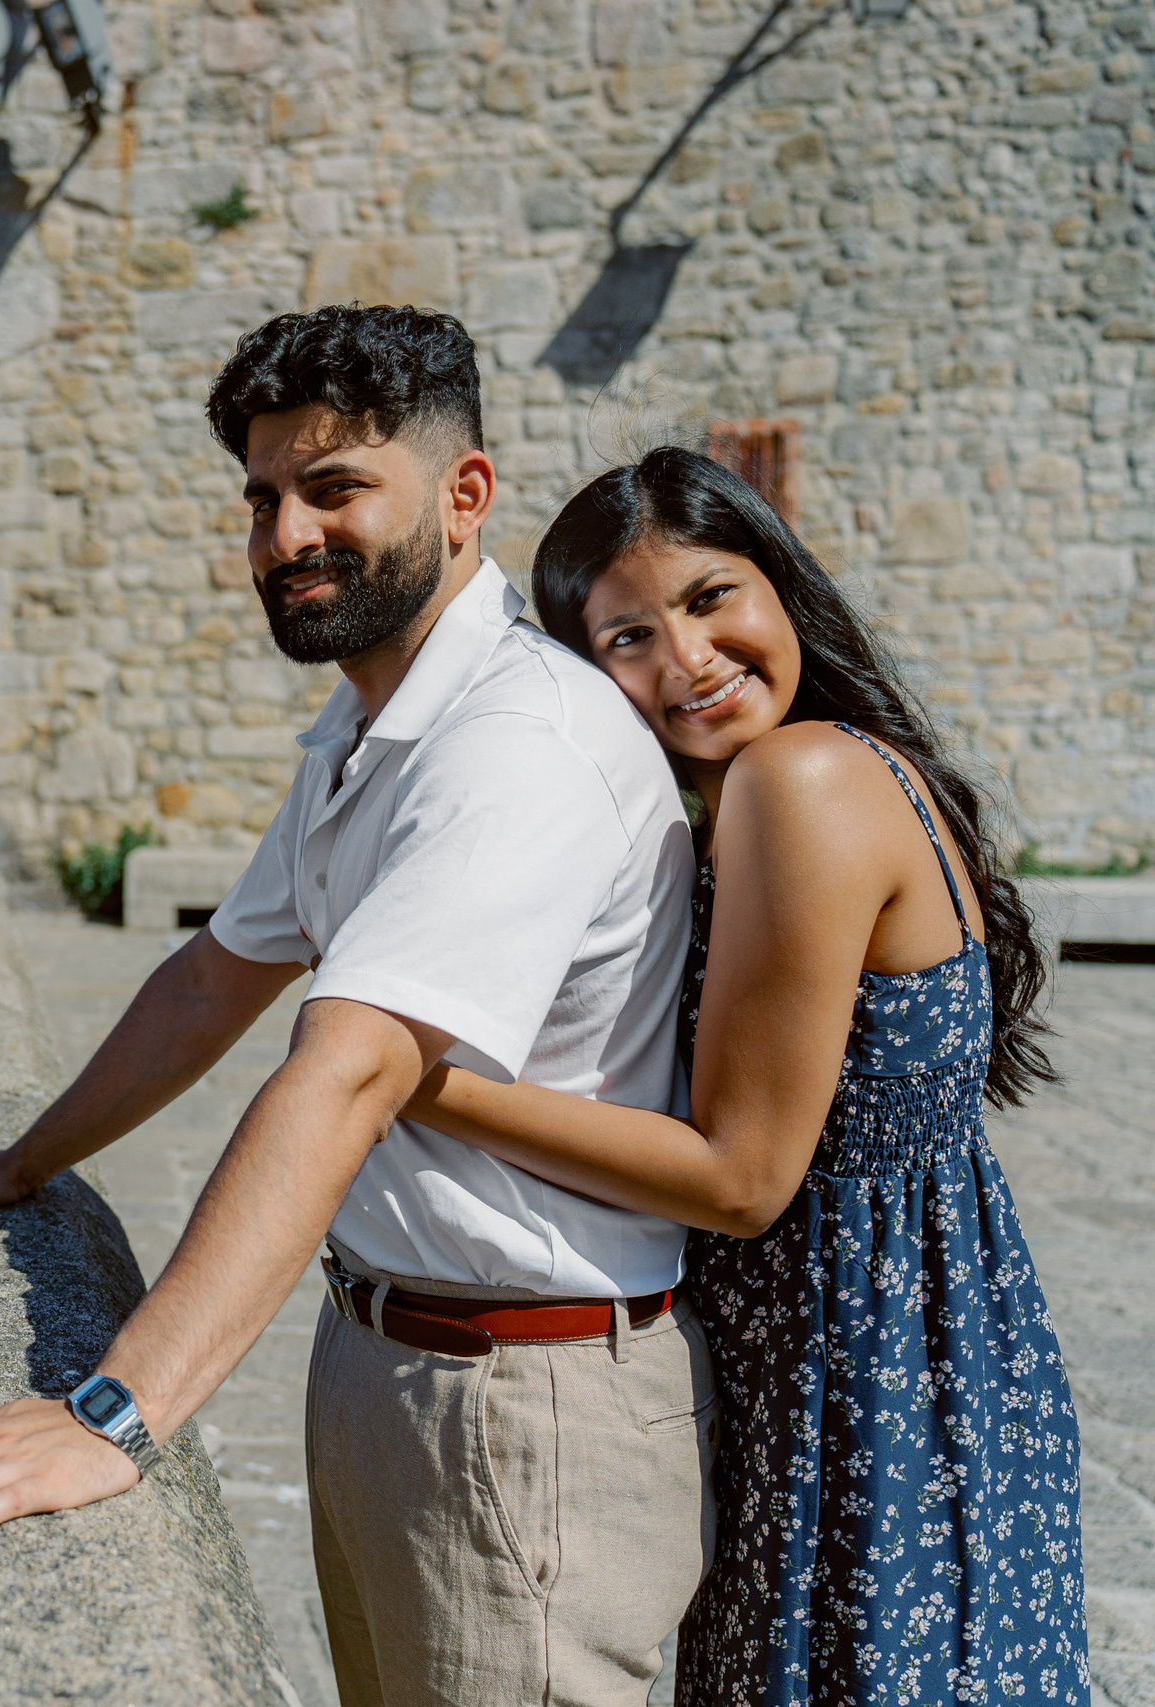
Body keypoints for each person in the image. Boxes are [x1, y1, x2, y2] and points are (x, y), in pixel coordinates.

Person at [0, 305, 710, 1705]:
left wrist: (115, 1412)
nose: (285, 534)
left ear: (464, 494)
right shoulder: (364, 729)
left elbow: (343, 1073)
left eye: (333, 489)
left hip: (525, 1395)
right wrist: (24, 1159)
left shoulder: (517, 742)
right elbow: (211, 978)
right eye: (263, 496)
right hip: (386, 1358)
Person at [395, 445, 1087, 1704]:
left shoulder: (798, 779)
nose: (688, 660)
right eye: (627, 638)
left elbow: (740, 1180)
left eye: (711, 598)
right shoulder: (849, 765)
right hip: (923, 1362)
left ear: (781, 587)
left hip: (855, 1390)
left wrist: (408, 1076)